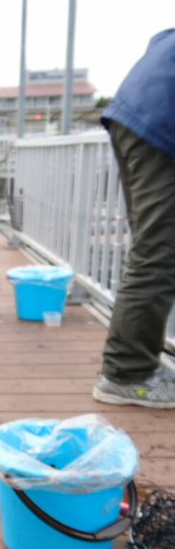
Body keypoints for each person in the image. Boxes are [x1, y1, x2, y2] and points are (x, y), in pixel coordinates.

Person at [92, 30, 175, 408]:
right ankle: (128, 372)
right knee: (159, 251)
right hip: (160, 119)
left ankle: (131, 364)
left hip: (139, 106)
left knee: (152, 246)